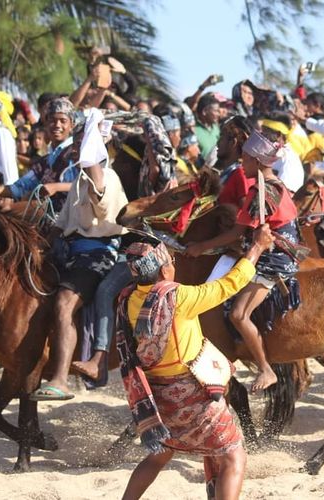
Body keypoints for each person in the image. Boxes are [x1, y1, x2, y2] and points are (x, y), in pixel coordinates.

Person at [118, 224, 274, 500]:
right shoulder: (181, 298)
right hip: (193, 397)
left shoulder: (128, 299)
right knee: (233, 456)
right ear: (165, 270)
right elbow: (230, 284)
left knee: (158, 456)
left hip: (156, 399)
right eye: (171, 261)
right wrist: (258, 248)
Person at [185, 130, 301, 392]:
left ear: (259, 163)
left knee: (239, 314)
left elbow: (236, 233)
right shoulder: (277, 185)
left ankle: (266, 369)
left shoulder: (261, 192)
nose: (242, 164)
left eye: (246, 159)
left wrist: (201, 246)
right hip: (275, 252)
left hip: (275, 260)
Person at [31, 108, 129, 401]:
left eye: (80, 143)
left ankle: (60, 379)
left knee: (63, 303)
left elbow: (97, 187)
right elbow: (60, 224)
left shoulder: (105, 178)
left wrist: (93, 135)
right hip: (69, 253)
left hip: (98, 255)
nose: (75, 149)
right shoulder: (78, 181)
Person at [0, 97, 78, 212]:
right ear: (46, 123)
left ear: (72, 125)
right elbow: (19, 187)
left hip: (73, 221)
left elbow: (90, 185)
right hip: (46, 219)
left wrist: (57, 187)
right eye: (52, 120)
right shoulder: (45, 161)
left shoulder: (77, 152)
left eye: (63, 121)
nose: (57, 125)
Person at [260, 115, 304, 192]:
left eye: (265, 133)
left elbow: (283, 193)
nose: (261, 136)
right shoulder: (272, 154)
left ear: (278, 135)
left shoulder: (288, 160)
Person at [194, 93, 221, 161]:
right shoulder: (193, 130)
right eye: (216, 111)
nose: (219, 114)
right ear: (204, 111)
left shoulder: (216, 129)